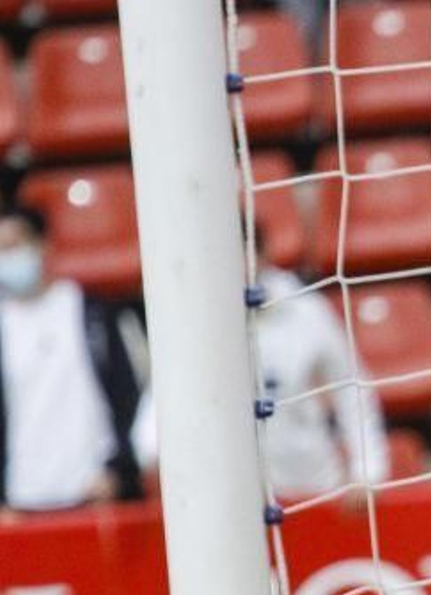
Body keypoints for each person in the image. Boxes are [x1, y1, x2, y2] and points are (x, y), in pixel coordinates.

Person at [135, 265, 390, 501]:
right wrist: (155, 453)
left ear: (261, 254)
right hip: (229, 500)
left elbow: (352, 388)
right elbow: (159, 406)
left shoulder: (304, 309)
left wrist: (367, 471)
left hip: (312, 488)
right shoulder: (194, 319)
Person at [0, 206, 143, 514]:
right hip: (21, 501)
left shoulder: (93, 314)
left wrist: (119, 468)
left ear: (42, 245)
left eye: (12, 247)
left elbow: (129, 394)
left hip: (94, 493)